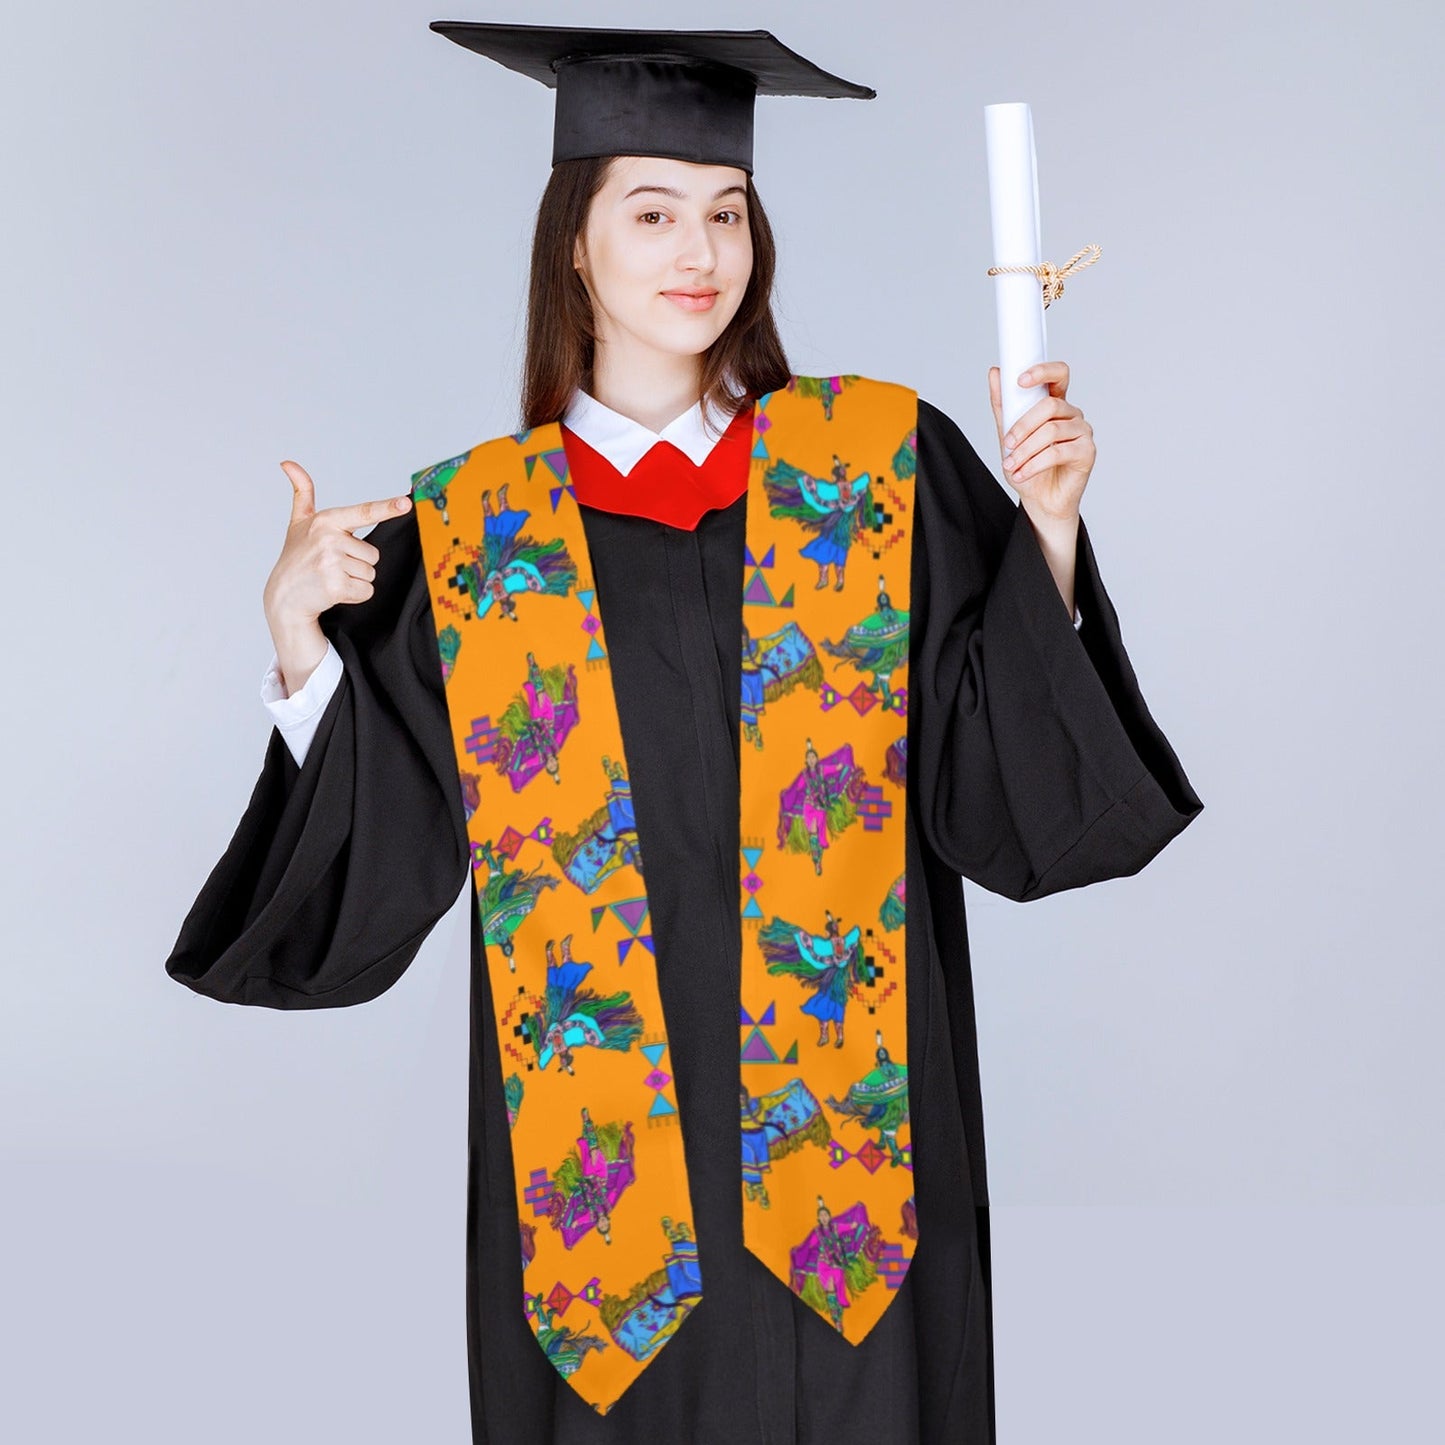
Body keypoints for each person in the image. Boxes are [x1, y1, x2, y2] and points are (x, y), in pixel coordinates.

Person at [165, 21, 1203, 1444]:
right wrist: (300, 645)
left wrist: (1049, 535)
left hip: (854, 1193)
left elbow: (1002, 791)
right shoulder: (476, 531)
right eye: (648, 213)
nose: (696, 249)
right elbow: (381, 854)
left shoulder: (875, 465)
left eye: (725, 212)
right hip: (603, 1240)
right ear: (572, 247)